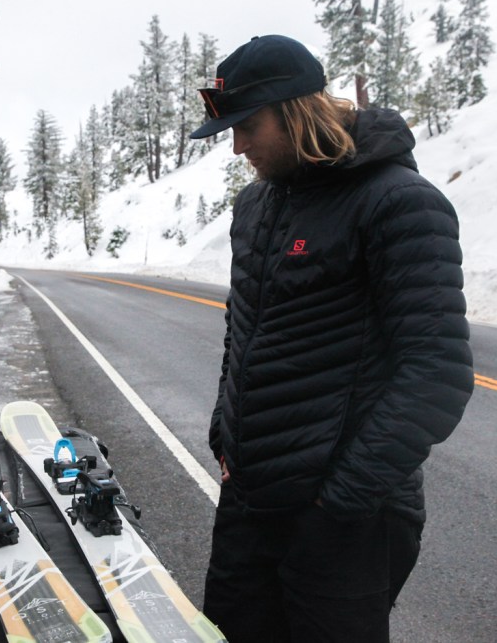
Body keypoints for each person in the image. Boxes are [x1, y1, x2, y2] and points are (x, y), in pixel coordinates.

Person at [190, 35, 475, 642]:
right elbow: (243, 329)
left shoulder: (399, 203)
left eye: (249, 126)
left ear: (296, 111)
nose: (239, 147)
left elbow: (437, 373)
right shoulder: (256, 205)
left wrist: (340, 502)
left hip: (346, 517)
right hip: (250, 499)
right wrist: (226, 436)